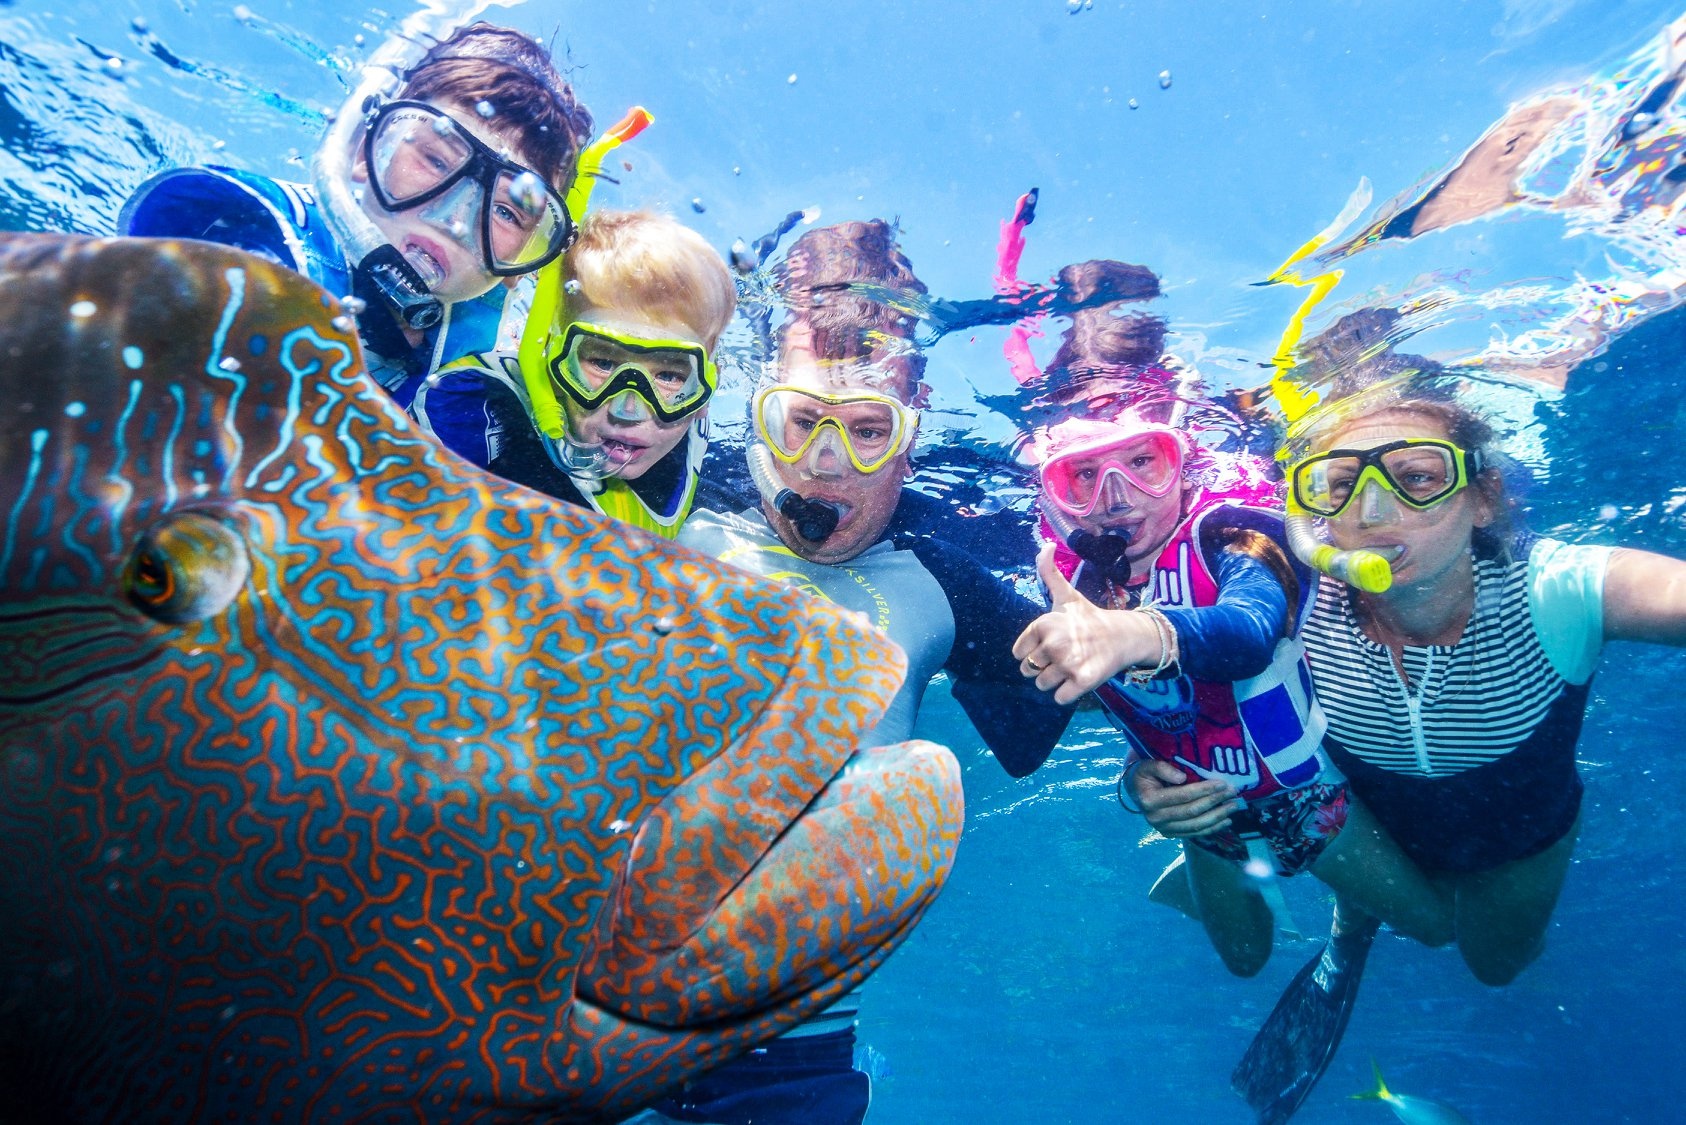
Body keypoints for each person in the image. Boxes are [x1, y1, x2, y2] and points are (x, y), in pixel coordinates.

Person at [659, 219, 1073, 1125]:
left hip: (791, 1043)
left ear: (912, 432)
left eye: (869, 430)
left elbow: (1066, 713)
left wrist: (1158, 761)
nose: (827, 462)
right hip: (563, 988)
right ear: (758, 404)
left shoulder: (955, 573)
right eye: (801, 420)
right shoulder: (658, 501)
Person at [1128, 388, 1686, 987]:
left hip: (1518, 836)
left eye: (1417, 477)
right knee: (1429, 924)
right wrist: (1140, 782)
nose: (1373, 512)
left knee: (1496, 966)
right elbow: (1139, 702)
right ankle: (1354, 916)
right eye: (1340, 485)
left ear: (1483, 499)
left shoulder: (1556, 591)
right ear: (1313, 511)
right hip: (1371, 822)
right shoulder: (1285, 604)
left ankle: (1364, 909)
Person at [1010, 406, 1454, 978]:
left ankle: (1350, 921)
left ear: (1182, 468)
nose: (1117, 496)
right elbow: (1131, 706)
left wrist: (1138, 633)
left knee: (1436, 930)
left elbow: (1249, 631)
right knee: (1245, 961)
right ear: (1056, 500)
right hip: (1205, 817)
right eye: (1084, 477)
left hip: (1312, 796)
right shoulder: (1076, 590)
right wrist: (1135, 783)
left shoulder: (1233, 538)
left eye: (1144, 463)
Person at [120, 22, 593, 409]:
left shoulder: (486, 360)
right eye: (434, 160)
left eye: (507, 212)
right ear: (365, 153)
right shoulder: (250, 251)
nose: (454, 219)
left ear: (527, 263)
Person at [414, 208, 735, 537]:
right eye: (603, 363)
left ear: (706, 392)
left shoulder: (703, 435)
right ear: (553, 361)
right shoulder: (475, 407)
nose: (629, 410)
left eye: (669, 376)